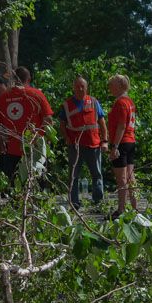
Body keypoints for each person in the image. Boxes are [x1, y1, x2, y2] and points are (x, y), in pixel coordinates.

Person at [0, 71, 53, 190]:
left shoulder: (3, 97)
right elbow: (48, 119)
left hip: (12, 149)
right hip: (35, 148)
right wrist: (45, 138)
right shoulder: (37, 94)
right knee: (37, 184)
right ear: (28, 79)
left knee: (14, 186)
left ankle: (17, 201)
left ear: (14, 79)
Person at [62, 77, 109, 210]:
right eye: (77, 86)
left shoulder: (93, 102)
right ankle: (74, 203)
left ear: (86, 88)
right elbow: (62, 124)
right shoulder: (67, 104)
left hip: (93, 144)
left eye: (82, 86)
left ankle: (98, 202)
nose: (80, 89)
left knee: (97, 174)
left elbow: (102, 122)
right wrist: (66, 138)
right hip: (75, 145)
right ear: (73, 88)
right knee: (73, 175)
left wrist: (105, 141)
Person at [106, 74, 138, 219]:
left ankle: (121, 210)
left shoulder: (120, 103)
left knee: (121, 179)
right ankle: (135, 209)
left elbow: (121, 125)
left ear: (120, 85)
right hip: (131, 141)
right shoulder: (129, 101)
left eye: (112, 84)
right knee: (131, 177)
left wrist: (114, 146)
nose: (109, 87)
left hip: (122, 143)